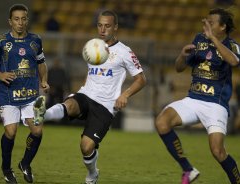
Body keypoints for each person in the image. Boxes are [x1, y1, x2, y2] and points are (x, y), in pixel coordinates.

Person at [33, 10, 146, 184]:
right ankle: (42, 114)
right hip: (87, 94)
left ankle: (92, 174)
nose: (102, 29)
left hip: (106, 105)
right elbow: (92, 72)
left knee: (86, 147)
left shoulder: (125, 52)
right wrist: (84, 87)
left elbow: (141, 79)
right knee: (70, 104)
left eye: (107, 26)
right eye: (100, 25)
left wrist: (125, 94)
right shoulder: (92, 46)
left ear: (115, 27)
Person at [154, 8, 240, 184]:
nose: (206, 25)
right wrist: (182, 55)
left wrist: (213, 39)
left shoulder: (231, 45)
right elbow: (179, 68)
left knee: (218, 152)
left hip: (215, 104)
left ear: (223, 27)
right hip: (193, 100)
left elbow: (234, 61)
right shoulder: (199, 40)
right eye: (205, 21)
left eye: (211, 22)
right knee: (162, 122)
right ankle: (188, 169)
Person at [0, 4, 49, 184]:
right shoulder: (1, 41)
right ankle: (6, 169)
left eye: (23, 19)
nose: (20, 22)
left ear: (27, 20)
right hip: (8, 95)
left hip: (33, 95)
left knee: (38, 131)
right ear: (10, 21)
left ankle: (25, 164)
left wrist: (44, 80)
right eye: (16, 19)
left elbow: (42, 62)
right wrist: (1, 75)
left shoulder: (36, 40)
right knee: (11, 133)